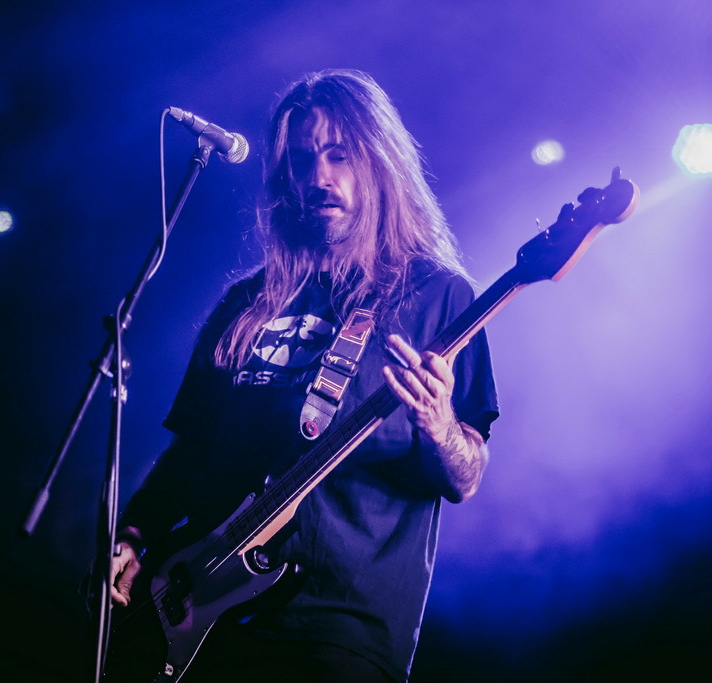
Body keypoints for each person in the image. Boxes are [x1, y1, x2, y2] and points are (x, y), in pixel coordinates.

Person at [105, 69, 499, 682]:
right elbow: (190, 450)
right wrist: (133, 532)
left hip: (336, 629)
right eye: (301, 159)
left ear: (380, 162)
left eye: (340, 155)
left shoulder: (435, 296)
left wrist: (440, 423)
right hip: (200, 618)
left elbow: (466, 475)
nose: (319, 177)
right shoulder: (247, 301)